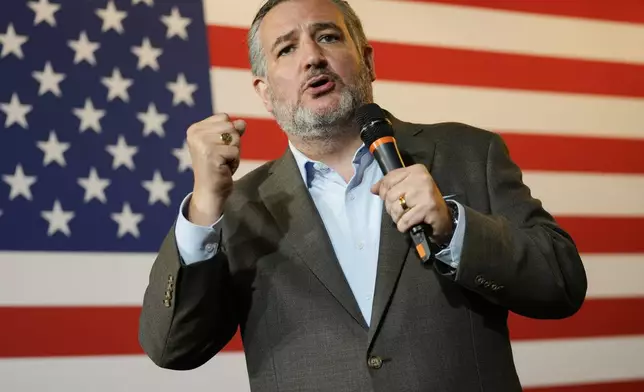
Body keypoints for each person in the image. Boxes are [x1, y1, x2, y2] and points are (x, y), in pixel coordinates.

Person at [138, 0, 588, 390]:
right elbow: (172, 346)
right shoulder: (236, 209)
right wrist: (204, 207)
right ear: (264, 92)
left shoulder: (469, 153)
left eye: (328, 37)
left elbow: (563, 284)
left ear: (367, 60)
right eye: (287, 48)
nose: (312, 57)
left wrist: (455, 228)